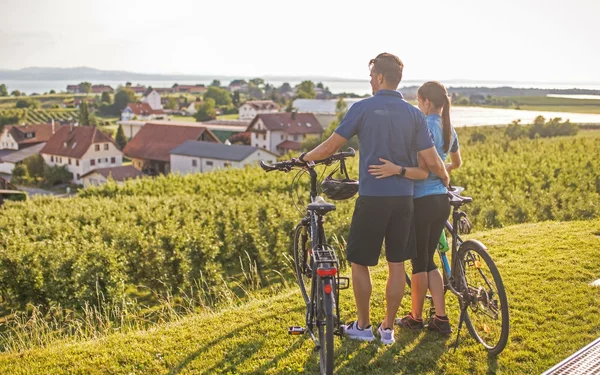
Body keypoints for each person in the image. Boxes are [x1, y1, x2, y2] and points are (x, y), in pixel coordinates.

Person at [300, 53, 449, 345]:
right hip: (404, 200)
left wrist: (303, 158)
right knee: (397, 265)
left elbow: (331, 146)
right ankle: (388, 329)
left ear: (380, 77)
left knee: (360, 262)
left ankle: (364, 326)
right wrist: (444, 177)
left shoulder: (363, 108)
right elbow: (432, 161)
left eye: (371, 77)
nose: (370, 81)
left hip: (373, 199)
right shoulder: (415, 115)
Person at [368, 81, 462, 335]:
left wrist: (431, 172)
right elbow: (457, 162)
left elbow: (426, 164)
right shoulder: (449, 128)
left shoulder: (422, 126)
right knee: (427, 260)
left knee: (420, 262)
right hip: (441, 200)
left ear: (426, 102)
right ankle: (439, 317)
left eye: (419, 101)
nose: (418, 106)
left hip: (421, 201)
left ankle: (417, 317)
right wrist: (443, 175)